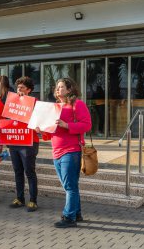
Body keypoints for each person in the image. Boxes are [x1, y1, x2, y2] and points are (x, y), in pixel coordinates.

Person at [36, 77, 91, 228]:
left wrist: (67, 125)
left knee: (69, 186)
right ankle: (77, 213)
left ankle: (69, 217)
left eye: (61, 87)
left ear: (69, 89)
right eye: (57, 87)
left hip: (71, 150)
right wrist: (41, 131)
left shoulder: (77, 104)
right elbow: (50, 132)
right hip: (56, 151)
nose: (58, 89)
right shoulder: (54, 107)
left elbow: (87, 125)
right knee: (70, 185)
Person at [0, 77, 40, 211]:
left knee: (29, 171)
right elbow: (6, 119)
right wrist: (1, 128)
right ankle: (20, 198)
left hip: (29, 142)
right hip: (14, 141)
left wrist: (25, 101)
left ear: (29, 90)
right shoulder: (11, 102)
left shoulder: (34, 102)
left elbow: (38, 118)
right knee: (17, 171)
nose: (19, 90)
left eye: (22, 88)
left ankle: (33, 200)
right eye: (18, 88)